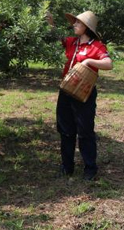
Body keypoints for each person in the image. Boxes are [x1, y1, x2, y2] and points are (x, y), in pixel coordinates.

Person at [47, 10, 113, 180]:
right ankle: (67, 167)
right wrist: (50, 21)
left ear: (87, 27)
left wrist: (89, 61)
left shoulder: (96, 46)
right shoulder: (72, 43)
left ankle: (90, 169)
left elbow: (108, 63)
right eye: (75, 22)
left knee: (85, 131)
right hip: (66, 91)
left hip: (84, 94)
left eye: (78, 23)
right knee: (66, 130)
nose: (74, 25)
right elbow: (56, 37)